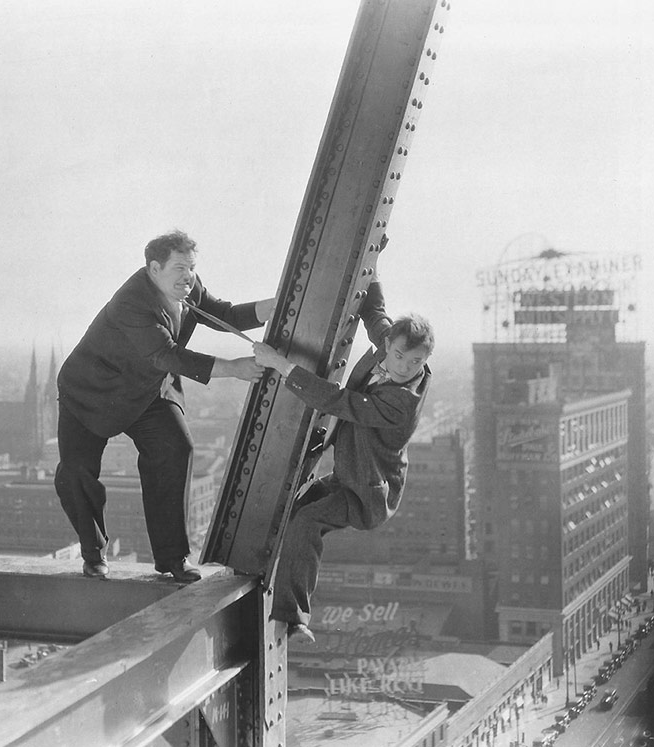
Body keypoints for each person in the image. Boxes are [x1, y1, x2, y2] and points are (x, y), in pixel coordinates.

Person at [55, 230, 275, 582]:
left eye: (191, 267)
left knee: (175, 448)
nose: (188, 276)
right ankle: (93, 553)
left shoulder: (186, 287)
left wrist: (274, 306)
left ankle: (173, 559)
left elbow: (225, 314)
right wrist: (235, 369)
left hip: (148, 390)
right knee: (77, 471)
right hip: (94, 393)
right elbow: (165, 354)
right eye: (180, 268)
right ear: (154, 268)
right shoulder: (130, 301)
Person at [252, 279, 433, 641]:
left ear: (426, 360)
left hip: (368, 494)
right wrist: (373, 271)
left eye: (416, 362)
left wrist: (280, 365)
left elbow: (340, 402)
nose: (404, 367)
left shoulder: (402, 403)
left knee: (306, 522)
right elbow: (375, 313)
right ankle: (273, 583)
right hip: (349, 474)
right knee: (291, 512)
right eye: (399, 356)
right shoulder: (389, 342)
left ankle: (293, 618)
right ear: (388, 346)